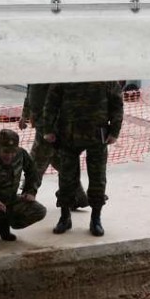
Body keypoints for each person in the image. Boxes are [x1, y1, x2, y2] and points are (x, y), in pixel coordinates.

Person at [42, 81, 124, 237]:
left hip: (97, 135)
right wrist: (48, 129)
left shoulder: (105, 75)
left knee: (97, 177)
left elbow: (117, 103)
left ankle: (96, 219)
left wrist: (115, 131)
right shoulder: (66, 73)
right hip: (68, 133)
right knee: (66, 177)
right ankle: (65, 217)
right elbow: (51, 101)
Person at [18, 83, 88, 209]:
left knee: (36, 161)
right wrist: (25, 114)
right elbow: (30, 94)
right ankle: (78, 196)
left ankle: (27, 196)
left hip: (51, 124)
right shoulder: (35, 74)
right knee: (59, 161)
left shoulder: (52, 74)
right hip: (42, 123)